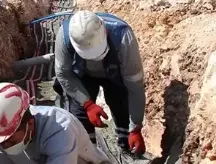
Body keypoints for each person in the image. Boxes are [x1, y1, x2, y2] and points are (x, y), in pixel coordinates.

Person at [54, 10, 147, 156]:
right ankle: (89, 155)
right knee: (80, 115)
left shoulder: (123, 37)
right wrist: (87, 104)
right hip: (82, 74)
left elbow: (135, 87)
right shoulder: (65, 36)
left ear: (106, 33)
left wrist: (136, 128)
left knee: (121, 103)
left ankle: (126, 145)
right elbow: (64, 75)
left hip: (114, 73)